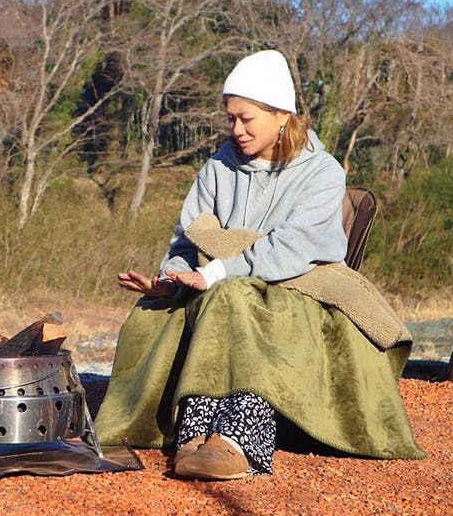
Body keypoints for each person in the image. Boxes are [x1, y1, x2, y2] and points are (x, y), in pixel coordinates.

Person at [94, 50, 424, 480]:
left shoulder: (322, 172)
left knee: (234, 296)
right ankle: (195, 434)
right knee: (193, 305)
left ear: (281, 113)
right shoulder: (218, 167)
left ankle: (237, 440)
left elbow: (292, 248)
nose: (236, 129)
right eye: (230, 118)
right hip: (218, 292)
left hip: (293, 292)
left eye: (246, 118)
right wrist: (170, 280)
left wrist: (217, 272)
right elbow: (188, 237)